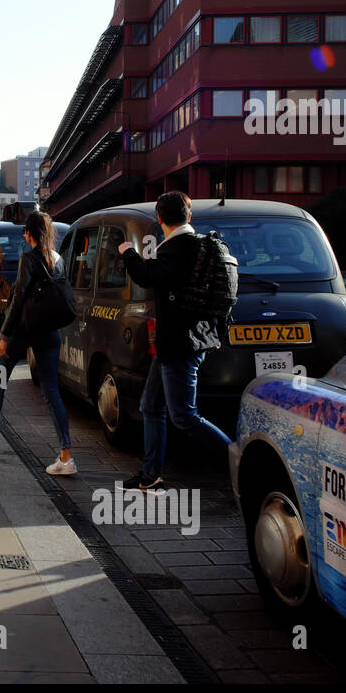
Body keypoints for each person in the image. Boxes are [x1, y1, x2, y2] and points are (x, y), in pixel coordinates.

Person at [117, 191, 231, 491]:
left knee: (184, 416)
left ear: (160, 219)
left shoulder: (178, 247)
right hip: (177, 344)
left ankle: (239, 460)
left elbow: (145, 275)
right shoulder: (198, 246)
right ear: (188, 216)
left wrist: (128, 251)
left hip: (179, 345)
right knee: (151, 405)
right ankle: (150, 473)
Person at [0, 211, 76, 476]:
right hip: (50, 334)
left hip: (21, 333)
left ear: (29, 235)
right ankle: (66, 456)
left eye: (26, 232)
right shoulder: (58, 260)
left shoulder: (29, 259)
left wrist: (4, 336)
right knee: (51, 391)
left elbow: (17, 302)